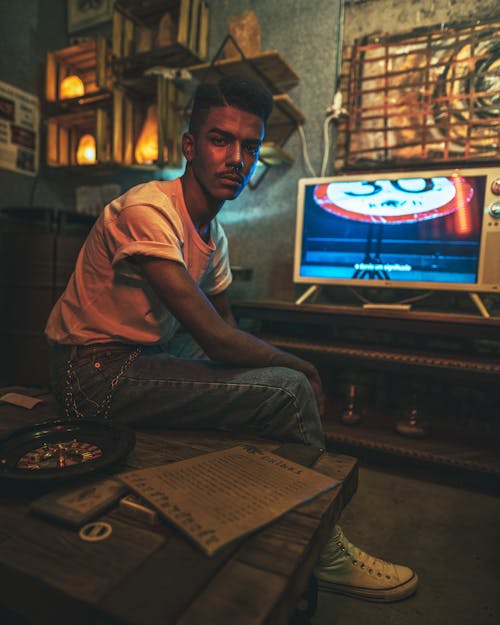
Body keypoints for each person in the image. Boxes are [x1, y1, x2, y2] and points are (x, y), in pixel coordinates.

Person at [45, 76, 418, 602]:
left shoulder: (213, 234)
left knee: (264, 365)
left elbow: (230, 331)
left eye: (249, 146)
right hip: (92, 373)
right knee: (286, 386)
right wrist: (302, 368)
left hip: (148, 354)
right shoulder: (146, 209)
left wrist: (265, 366)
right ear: (190, 147)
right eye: (221, 140)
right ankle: (322, 547)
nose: (237, 158)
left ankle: (268, 510)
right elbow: (217, 340)